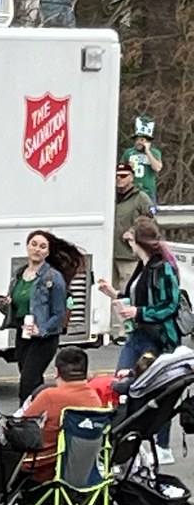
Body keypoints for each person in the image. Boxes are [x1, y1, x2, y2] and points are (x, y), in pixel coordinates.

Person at [97, 216, 181, 463]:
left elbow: (170, 305)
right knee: (121, 384)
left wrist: (139, 312)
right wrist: (113, 294)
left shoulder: (163, 268)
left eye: (132, 239)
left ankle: (162, 445)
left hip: (156, 338)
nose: (128, 243)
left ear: (140, 242)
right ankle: (121, 438)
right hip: (137, 334)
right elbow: (137, 295)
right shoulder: (142, 265)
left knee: (156, 390)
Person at [0, 230, 70, 406]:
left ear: (48, 252)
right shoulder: (20, 274)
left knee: (27, 383)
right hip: (24, 332)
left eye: (42, 247)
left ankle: (25, 416)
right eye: (34, 244)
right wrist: (5, 304)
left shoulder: (53, 277)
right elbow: (16, 304)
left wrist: (42, 329)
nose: (37, 249)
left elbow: (59, 313)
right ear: (27, 246)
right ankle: (41, 414)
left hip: (44, 337)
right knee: (32, 380)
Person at [20, 347, 102, 481]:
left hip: (45, 465)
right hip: (79, 468)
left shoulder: (49, 396)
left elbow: (23, 426)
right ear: (86, 372)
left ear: (57, 372)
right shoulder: (94, 398)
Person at [112, 163, 154, 315]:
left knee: (127, 292)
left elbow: (151, 220)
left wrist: (134, 231)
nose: (119, 179)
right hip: (109, 252)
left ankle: (125, 331)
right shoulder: (110, 195)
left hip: (128, 253)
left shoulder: (141, 197)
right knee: (110, 292)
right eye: (117, 175)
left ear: (132, 178)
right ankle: (111, 331)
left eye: (123, 176)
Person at [121, 116, 164, 204]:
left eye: (142, 139)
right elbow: (121, 171)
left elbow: (157, 168)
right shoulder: (129, 152)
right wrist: (128, 167)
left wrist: (148, 151)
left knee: (148, 216)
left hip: (148, 191)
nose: (139, 142)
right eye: (137, 139)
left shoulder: (154, 152)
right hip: (131, 191)